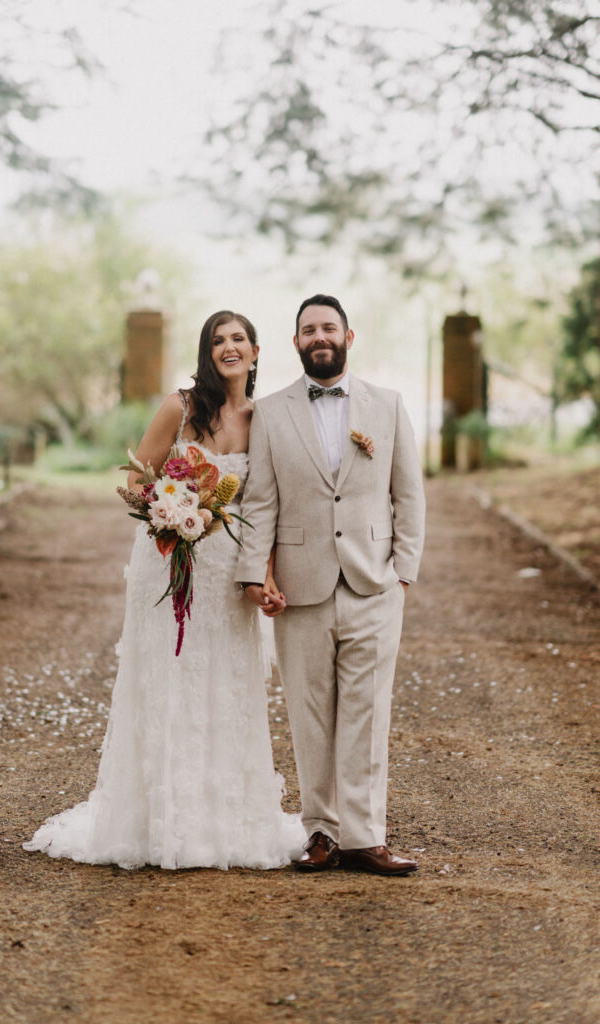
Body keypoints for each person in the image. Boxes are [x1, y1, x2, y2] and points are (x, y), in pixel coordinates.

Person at [23, 311, 305, 870]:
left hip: (228, 573)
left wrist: (264, 572)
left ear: (255, 352)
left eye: (238, 339)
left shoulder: (264, 417)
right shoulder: (180, 407)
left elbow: (263, 504)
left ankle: (224, 821)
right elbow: (133, 481)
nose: (229, 347)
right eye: (218, 340)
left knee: (224, 685)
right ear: (207, 352)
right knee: (169, 683)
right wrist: (167, 511)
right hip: (170, 563)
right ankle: (160, 820)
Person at [236, 294, 425, 875]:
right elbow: (260, 501)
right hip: (301, 585)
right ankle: (321, 831)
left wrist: (404, 574)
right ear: (295, 343)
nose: (319, 336)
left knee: (368, 712)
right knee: (309, 711)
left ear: (348, 336)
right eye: (308, 329)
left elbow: (408, 494)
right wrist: (252, 573)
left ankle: (366, 836)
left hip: (373, 584)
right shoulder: (270, 412)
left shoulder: (388, 406)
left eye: (328, 327)